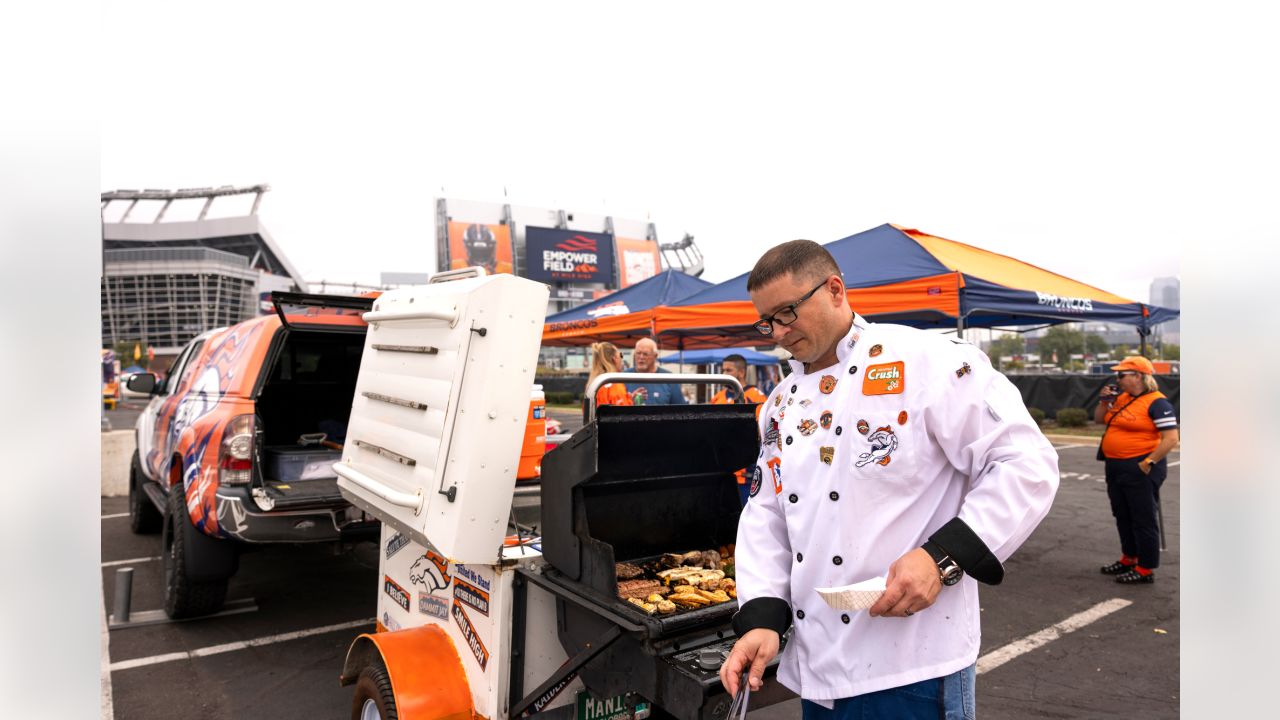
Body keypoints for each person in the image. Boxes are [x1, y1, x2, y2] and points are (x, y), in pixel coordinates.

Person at [719, 240, 1059, 719]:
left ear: (835, 289)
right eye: (767, 320)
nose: (778, 331)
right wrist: (761, 617)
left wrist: (942, 557)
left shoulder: (928, 361)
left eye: (788, 312)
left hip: (914, 666)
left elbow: (1025, 462)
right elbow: (768, 513)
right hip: (817, 668)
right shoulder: (780, 403)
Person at [1094, 356, 1179, 584]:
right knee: (1122, 514)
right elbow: (1099, 420)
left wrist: (1149, 462)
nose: (1118, 379)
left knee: (1143, 518)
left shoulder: (1157, 402)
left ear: (1138, 376)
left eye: (1122, 374)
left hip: (1140, 467)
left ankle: (1145, 568)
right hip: (1115, 465)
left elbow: (1171, 439)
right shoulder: (1120, 398)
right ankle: (1128, 557)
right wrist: (1104, 402)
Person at [711, 354, 770, 504]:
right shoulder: (717, 397)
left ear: (741, 372)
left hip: (746, 475)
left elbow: (763, 433)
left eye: (728, 370)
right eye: (723, 370)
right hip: (721, 472)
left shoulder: (756, 397)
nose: (724, 374)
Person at [624, 337, 688, 405]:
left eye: (645, 354)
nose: (641, 357)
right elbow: (614, 409)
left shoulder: (668, 378)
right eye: (638, 353)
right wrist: (630, 401)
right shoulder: (623, 377)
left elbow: (681, 410)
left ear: (655, 356)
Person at [584, 341, 632, 423]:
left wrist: (628, 397)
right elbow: (625, 417)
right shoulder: (615, 384)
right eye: (621, 355)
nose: (622, 358)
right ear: (615, 359)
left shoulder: (593, 385)